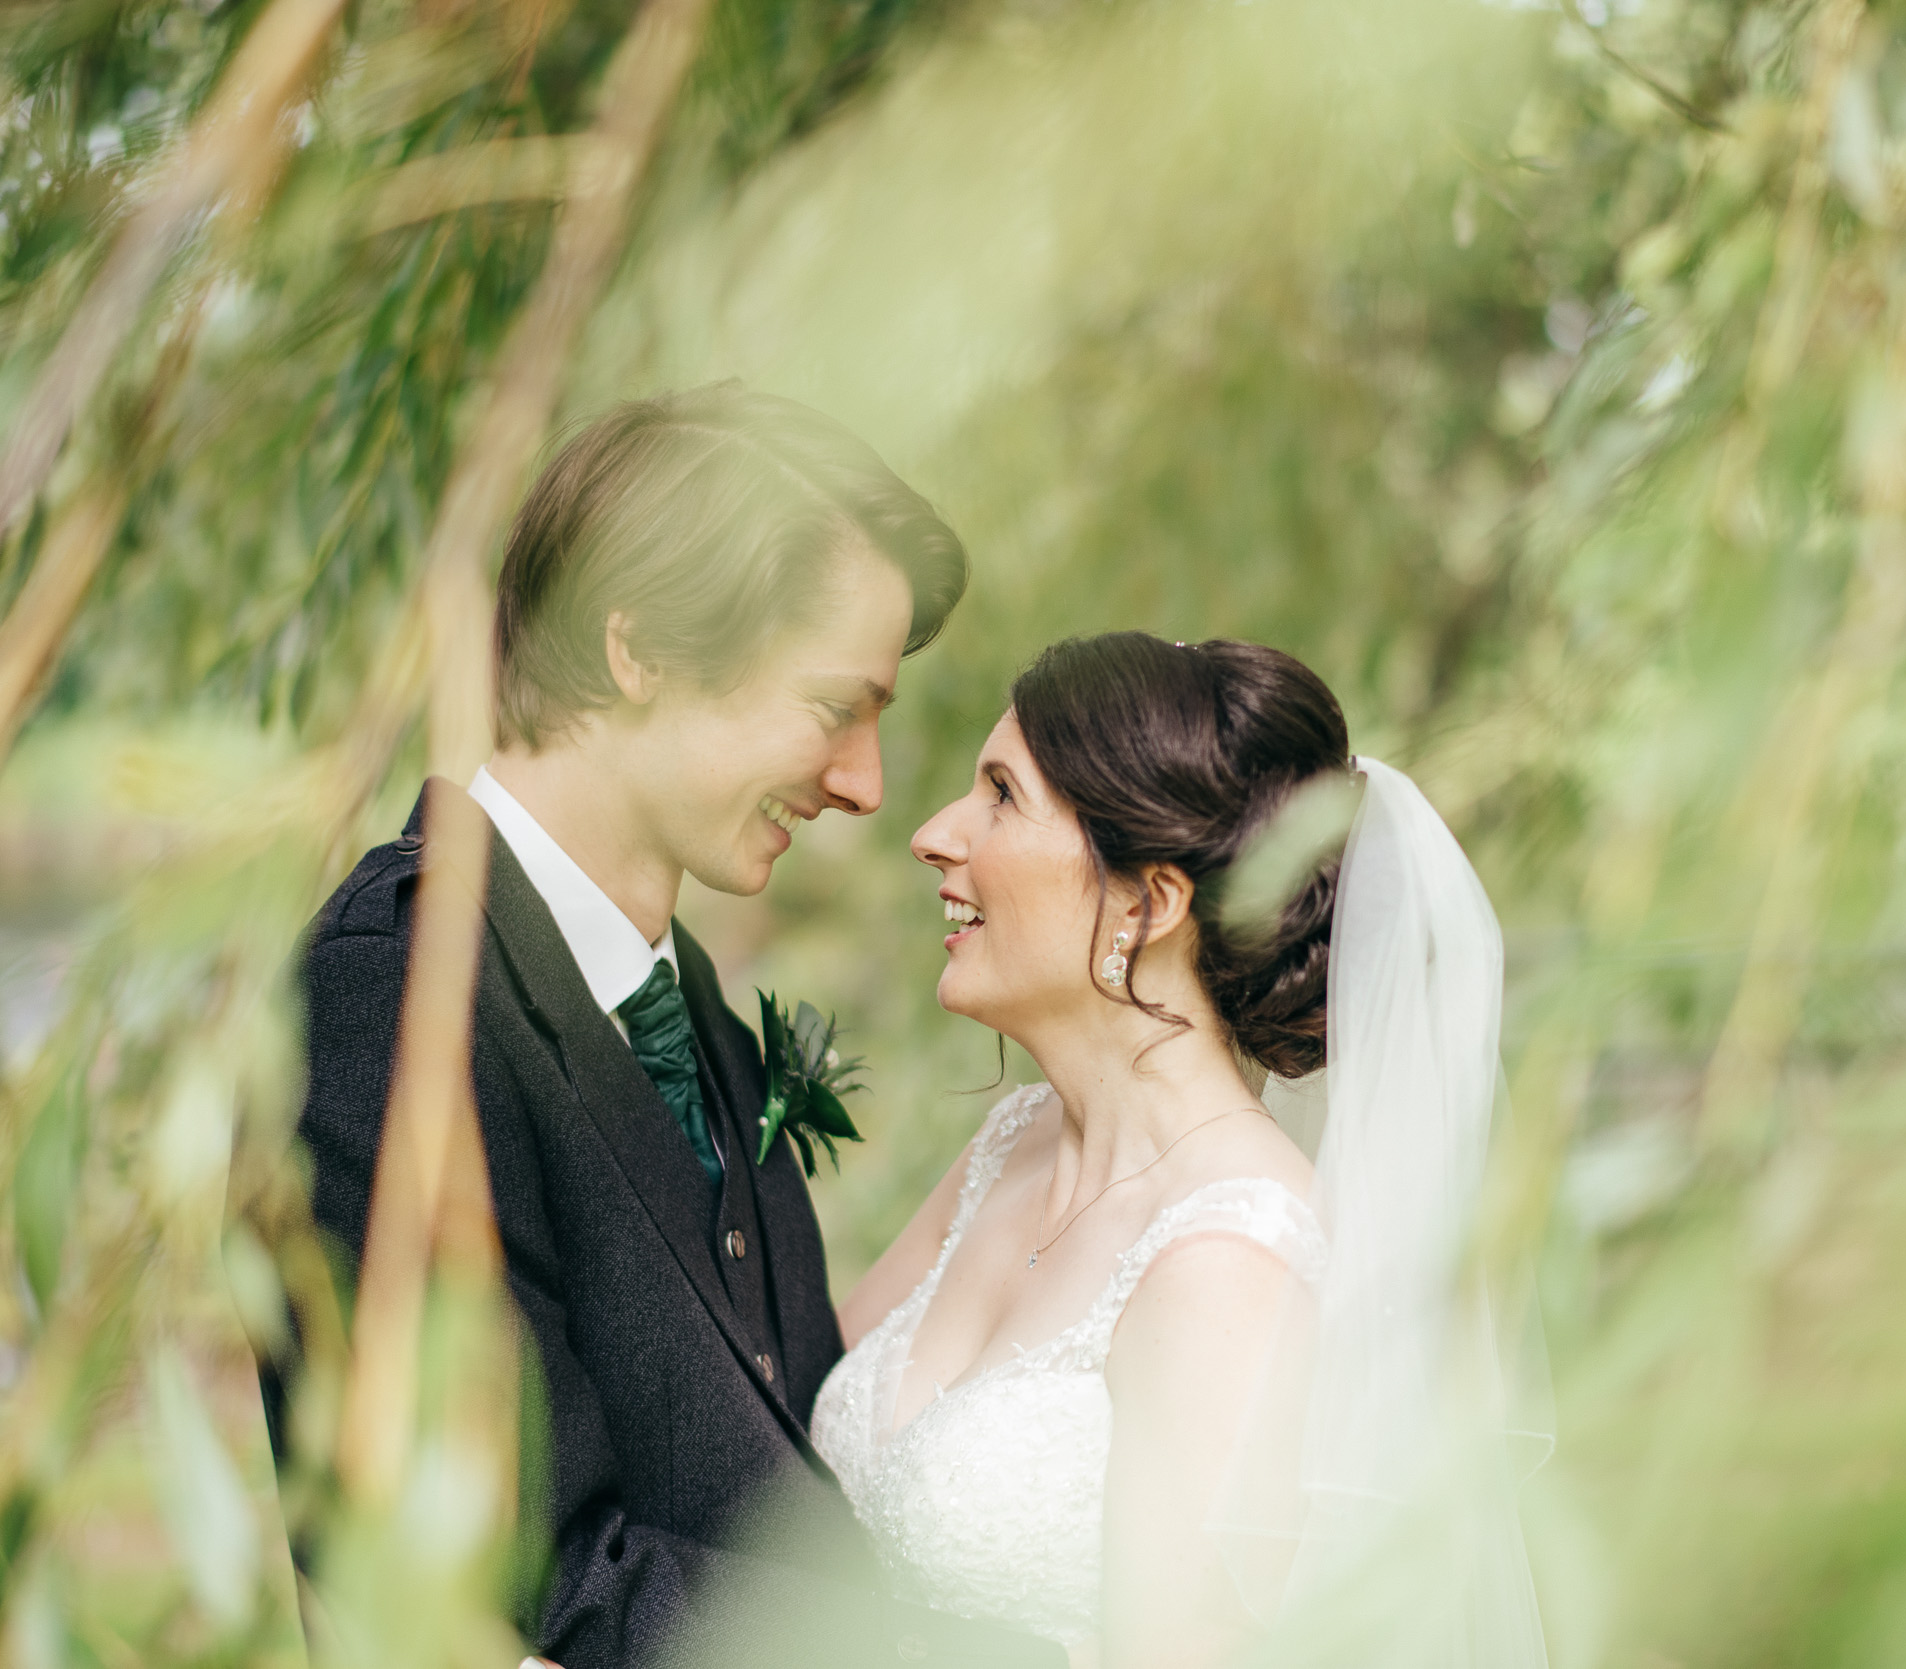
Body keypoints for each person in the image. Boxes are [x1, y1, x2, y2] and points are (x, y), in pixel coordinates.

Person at [274, 383, 1063, 1669]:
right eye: (829, 708)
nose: (865, 783)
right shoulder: (400, 990)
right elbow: (501, 1592)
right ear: (636, 648)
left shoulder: (683, 996)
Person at [814, 633, 1546, 1667]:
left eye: (1000, 796)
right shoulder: (1010, 1142)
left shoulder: (1229, 1258)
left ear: (1147, 903)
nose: (934, 834)